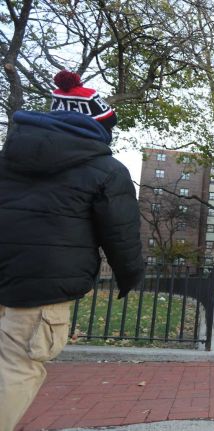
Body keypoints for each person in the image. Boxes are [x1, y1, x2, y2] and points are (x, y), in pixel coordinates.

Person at [0, 70, 144, 430]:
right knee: (17, 364)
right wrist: (130, 276)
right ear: (97, 126)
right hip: (42, 286)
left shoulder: (7, 159)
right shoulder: (107, 170)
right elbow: (121, 235)